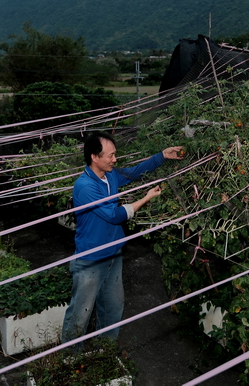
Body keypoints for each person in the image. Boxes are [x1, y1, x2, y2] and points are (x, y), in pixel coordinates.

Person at [61, 131, 183, 347]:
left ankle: (104, 352)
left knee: (112, 308)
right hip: (91, 259)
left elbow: (134, 172)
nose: (115, 159)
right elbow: (114, 216)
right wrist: (146, 198)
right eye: (110, 155)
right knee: (80, 314)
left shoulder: (110, 176)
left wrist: (162, 155)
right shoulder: (85, 187)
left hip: (113, 254)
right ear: (94, 157)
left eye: (115, 154)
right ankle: (70, 362)